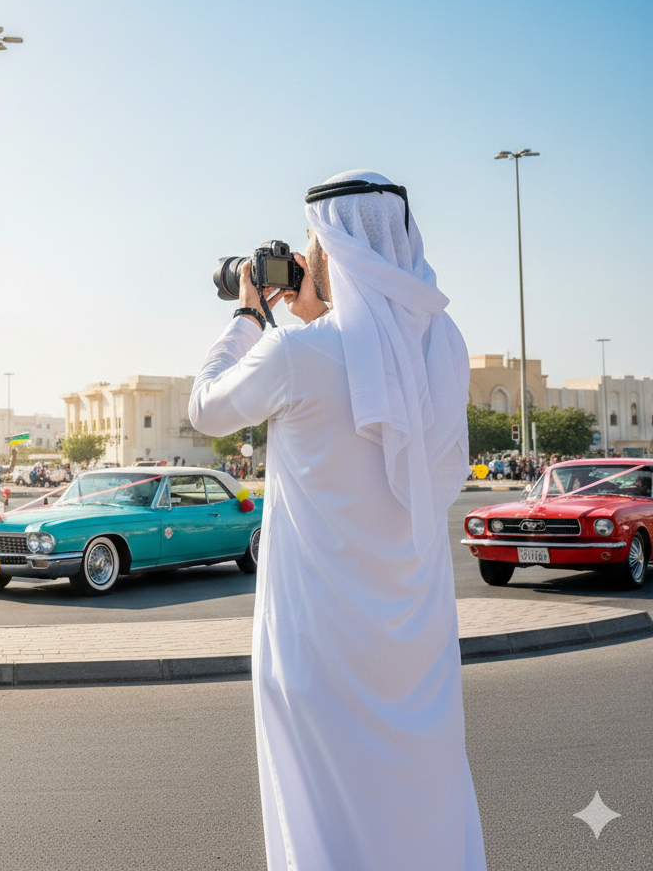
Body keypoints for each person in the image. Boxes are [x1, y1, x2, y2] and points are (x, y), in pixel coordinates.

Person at [189, 171, 485, 871]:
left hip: (318, 643)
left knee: (324, 819)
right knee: (421, 802)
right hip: (419, 642)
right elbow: (373, 354)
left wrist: (249, 314)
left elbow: (206, 409)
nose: (303, 257)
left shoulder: (295, 356)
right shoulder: (443, 350)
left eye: (313, 243)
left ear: (337, 250)